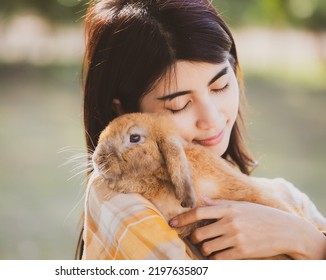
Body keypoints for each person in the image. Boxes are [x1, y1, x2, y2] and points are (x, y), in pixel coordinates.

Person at [76, 0, 326, 259]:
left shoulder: (288, 197)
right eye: (179, 105)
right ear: (126, 111)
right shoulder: (115, 196)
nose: (211, 118)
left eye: (220, 87)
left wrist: (303, 239)